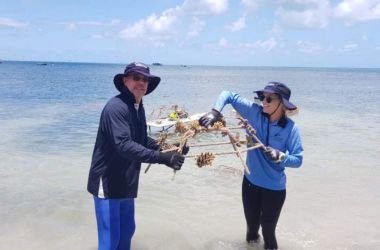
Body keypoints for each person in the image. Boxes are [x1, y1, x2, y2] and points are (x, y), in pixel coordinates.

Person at [87, 62, 188, 250]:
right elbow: (124, 145)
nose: (141, 82)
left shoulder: (137, 106)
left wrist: (169, 149)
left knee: (127, 232)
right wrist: (161, 158)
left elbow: (140, 139)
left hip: (126, 180)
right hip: (107, 182)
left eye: (145, 79)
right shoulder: (115, 107)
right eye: (136, 78)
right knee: (110, 240)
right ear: (125, 80)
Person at [199, 82, 303, 250]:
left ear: (281, 104)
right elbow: (228, 94)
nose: (264, 102)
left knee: (268, 232)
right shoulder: (255, 113)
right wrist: (215, 112)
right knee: (251, 231)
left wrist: (281, 157)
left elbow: (298, 160)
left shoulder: (291, 129)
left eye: (269, 99)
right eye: (262, 97)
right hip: (250, 184)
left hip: (274, 190)